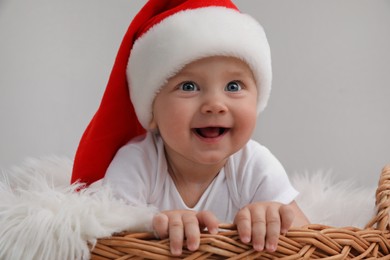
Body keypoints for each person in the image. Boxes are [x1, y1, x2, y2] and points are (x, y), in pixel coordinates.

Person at [71, 0, 309, 256]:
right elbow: (105, 241)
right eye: (188, 87)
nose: (215, 105)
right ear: (151, 112)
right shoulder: (138, 163)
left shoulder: (254, 165)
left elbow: (311, 241)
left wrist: (275, 218)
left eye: (233, 86)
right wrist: (152, 224)